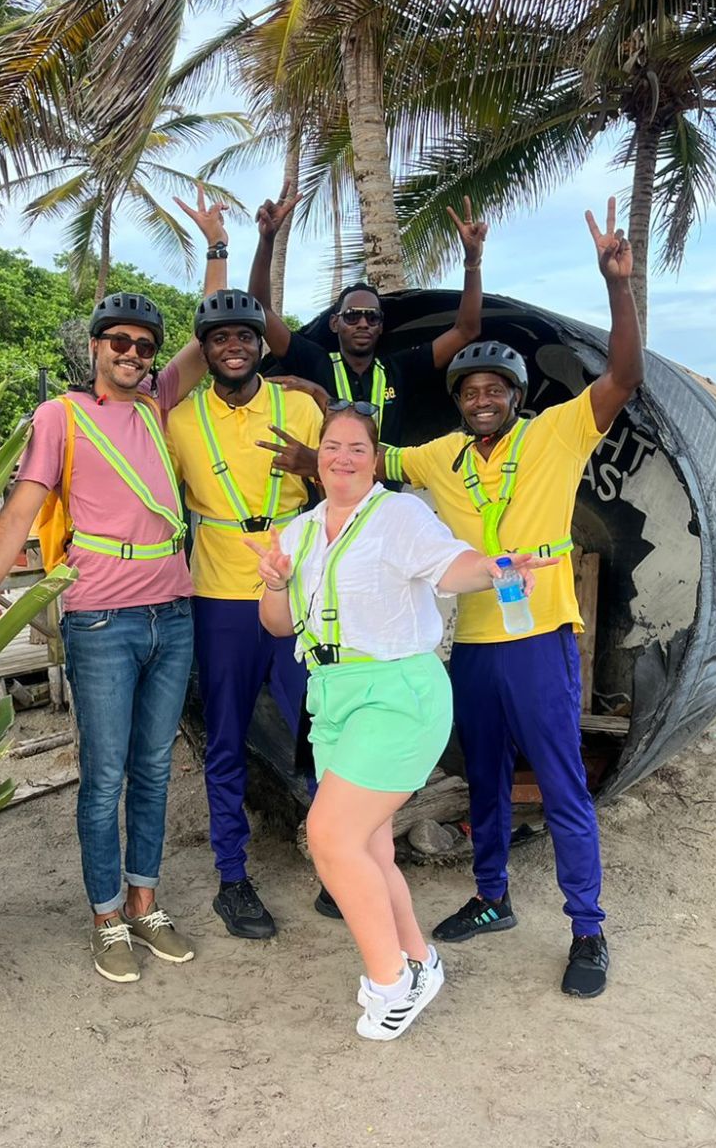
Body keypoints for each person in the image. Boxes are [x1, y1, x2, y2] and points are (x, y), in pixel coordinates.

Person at [0, 189, 230, 985]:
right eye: (119, 341)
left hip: (171, 614)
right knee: (105, 770)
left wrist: (214, 246)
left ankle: (147, 902)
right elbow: (21, 511)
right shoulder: (62, 416)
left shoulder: (161, 407)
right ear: (94, 346)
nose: (134, 355)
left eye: (145, 346)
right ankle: (107, 911)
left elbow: (210, 334)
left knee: (151, 768)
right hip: (102, 620)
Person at [381, 198, 645, 1000]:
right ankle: (493, 897)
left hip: (539, 641)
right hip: (475, 647)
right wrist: (308, 447)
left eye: (496, 386)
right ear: (458, 399)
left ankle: (588, 929)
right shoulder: (440, 457)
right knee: (486, 778)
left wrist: (618, 287)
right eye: (470, 388)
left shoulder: (557, 432)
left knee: (562, 782)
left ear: (516, 395)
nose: (482, 396)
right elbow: (370, 459)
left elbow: (626, 375)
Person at [248, 402, 559, 1041]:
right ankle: (419, 959)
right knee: (367, 845)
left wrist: (497, 568)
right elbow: (277, 626)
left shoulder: (399, 516)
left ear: (374, 456)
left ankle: (390, 983)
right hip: (331, 696)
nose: (342, 458)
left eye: (357, 448)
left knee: (331, 839)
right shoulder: (300, 531)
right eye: (332, 446)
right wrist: (275, 582)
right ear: (317, 455)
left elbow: (453, 564)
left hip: (398, 693)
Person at [164, 288, 322, 940]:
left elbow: (345, 489)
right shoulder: (179, 422)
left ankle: (345, 859)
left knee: (325, 732)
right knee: (225, 742)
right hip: (221, 601)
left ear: (261, 343)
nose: (233, 347)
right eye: (220, 338)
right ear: (205, 349)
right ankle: (233, 879)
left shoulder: (300, 406)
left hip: (300, 594)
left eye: (245, 337)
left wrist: (313, 466)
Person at [249, 188, 488, 450]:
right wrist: (267, 240)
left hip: (387, 490)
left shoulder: (400, 369)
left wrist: (472, 263)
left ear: (380, 325)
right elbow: (261, 310)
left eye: (372, 317)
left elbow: (466, 330)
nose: (363, 323)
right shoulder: (316, 363)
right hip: (331, 487)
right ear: (334, 323)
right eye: (352, 316)